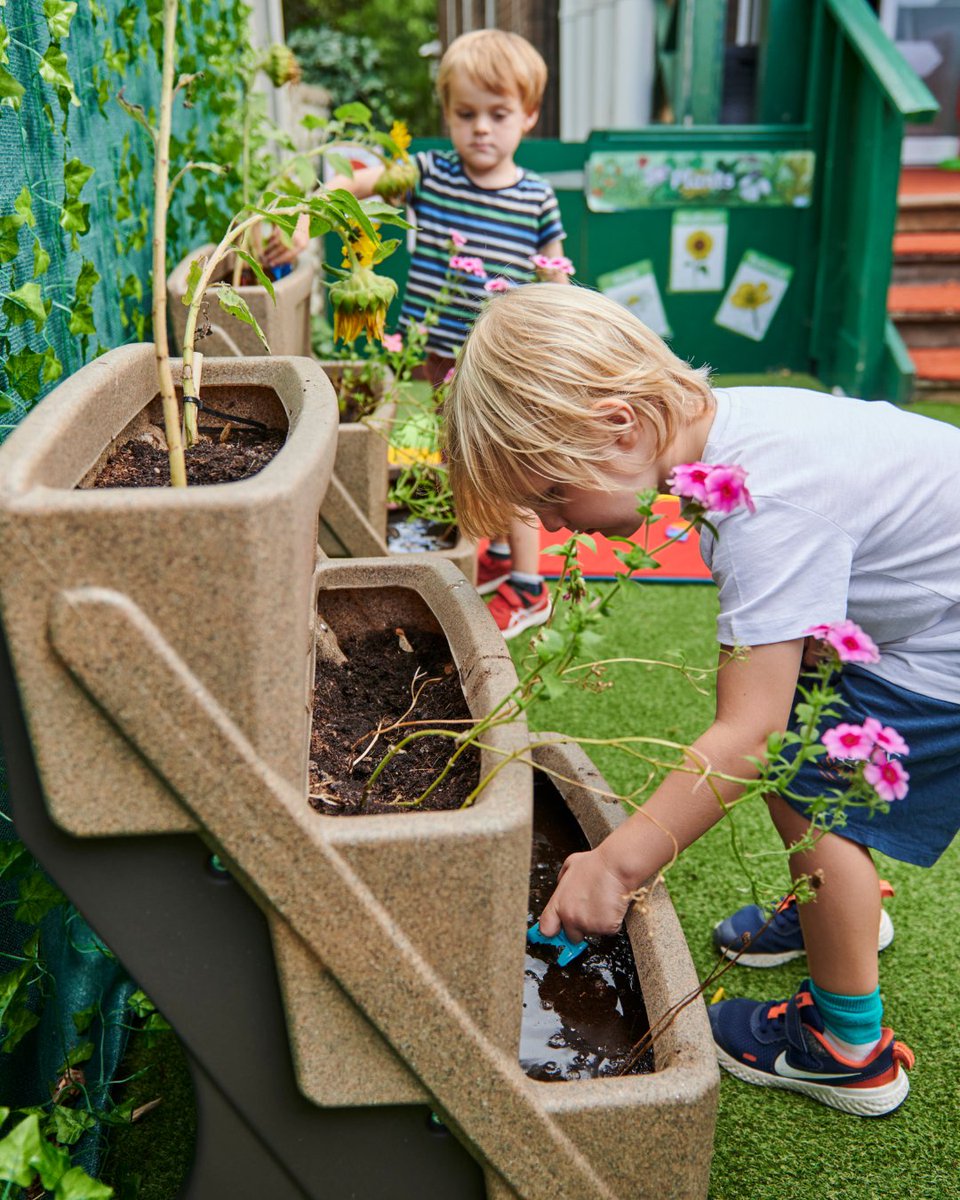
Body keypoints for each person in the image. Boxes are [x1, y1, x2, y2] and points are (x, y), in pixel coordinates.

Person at [443, 282, 960, 1116]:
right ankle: (840, 916)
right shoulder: (727, 428)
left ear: (618, 424)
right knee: (800, 744)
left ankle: (848, 1048)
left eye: (548, 497)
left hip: (949, 643)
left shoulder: (763, 497)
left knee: (808, 781)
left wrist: (614, 867)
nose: (554, 524)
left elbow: (744, 737)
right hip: (935, 601)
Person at [266, 29, 570, 639]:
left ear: (529, 116)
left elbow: (553, 273)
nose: (481, 128)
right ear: (448, 115)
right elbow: (351, 183)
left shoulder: (537, 197)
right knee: (459, 452)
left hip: (504, 362)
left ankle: (530, 587)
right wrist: (304, 220)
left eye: (498, 114)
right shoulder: (429, 174)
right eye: (465, 114)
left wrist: (555, 336)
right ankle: (503, 552)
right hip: (437, 353)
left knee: (508, 461)